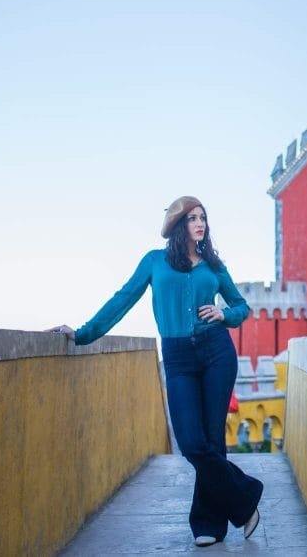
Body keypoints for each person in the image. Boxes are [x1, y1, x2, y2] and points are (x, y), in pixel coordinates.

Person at [47, 196, 263, 547]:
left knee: (211, 441)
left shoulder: (213, 265)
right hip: (178, 358)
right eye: (192, 218)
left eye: (203, 218)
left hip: (216, 353)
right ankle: (246, 496)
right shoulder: (155, 261)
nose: (200, 223)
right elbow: (123, 298)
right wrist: (82, 334)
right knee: (192, 443)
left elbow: (242, 306)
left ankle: (208, 523)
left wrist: (225, 314)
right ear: (178, 225)